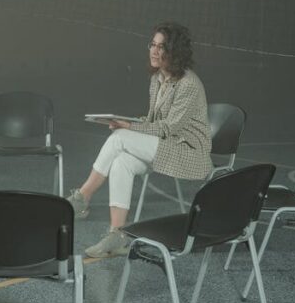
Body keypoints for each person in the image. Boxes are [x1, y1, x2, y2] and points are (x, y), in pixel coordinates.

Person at [67, 22, 212, 258]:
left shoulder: (188, 84)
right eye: (152, 45)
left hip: (188, 153)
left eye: (162, 47)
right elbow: (154, 120)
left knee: (119, 137)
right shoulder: (157, 79)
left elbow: (167, 128)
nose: (154, 51)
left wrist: (129, 127)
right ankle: (117, 235)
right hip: (166, 147)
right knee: (121, 161)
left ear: (175, 51)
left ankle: (83, 197)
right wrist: (126, 121)